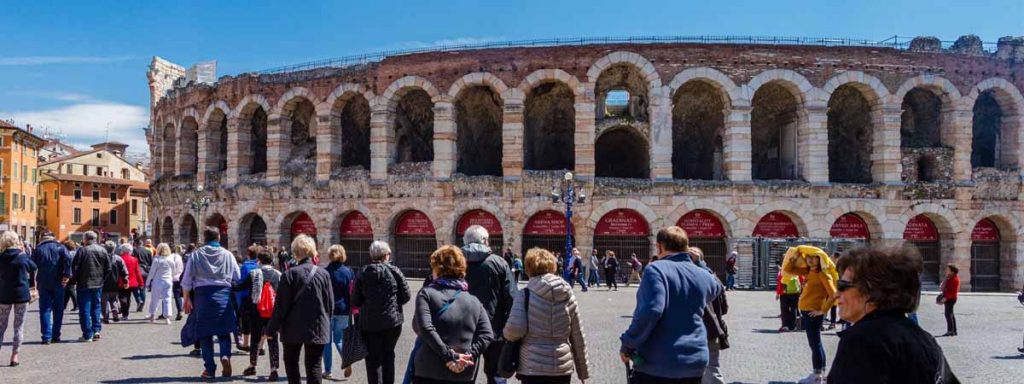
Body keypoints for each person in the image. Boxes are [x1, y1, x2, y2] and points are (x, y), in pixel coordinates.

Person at [828, 247, 959, 383]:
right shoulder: (923, 338)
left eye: (842, 285)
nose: (837, 294)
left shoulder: (863, 340)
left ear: (871, 290)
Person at [620, 227, 721, 384]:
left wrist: (628, 344)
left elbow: (651, 311)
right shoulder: (702, 275)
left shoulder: (656, 269)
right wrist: (700, 263)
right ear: (686, 247)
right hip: (695, 361)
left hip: (660, 362)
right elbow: (716, 288)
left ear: (660, 246)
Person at [504, 247, 589, 384]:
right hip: (562, 366)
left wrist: (506, 333)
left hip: (532, 365)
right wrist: (583, 372)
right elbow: (577, 336)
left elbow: (514, 330)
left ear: (529, 268)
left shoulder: (524, 295)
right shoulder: (567, 293)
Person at [411, 245, 494, 383]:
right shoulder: (474, 301)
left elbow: (425, 327)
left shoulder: (427, 294)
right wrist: (467, 357)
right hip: (464, 373)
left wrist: (450, 356)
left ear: (438, 269)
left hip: (429, 369)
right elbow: (487, 334)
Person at [264, 235, 333, 384]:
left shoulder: (289, 274)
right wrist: (326, 323)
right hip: (317, 326)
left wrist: (271, 329)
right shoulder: (323, 274)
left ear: (295, 253)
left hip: (292, 327)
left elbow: (280, 306)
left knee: (291, 362)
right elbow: (330, 305)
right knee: (314, 365)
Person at [182, 227, 241, 379]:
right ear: (219, 237)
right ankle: (225, 355)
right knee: (224, 331)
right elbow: (237, 276)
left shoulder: (195, 255)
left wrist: (186, 299)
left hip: (202, 297)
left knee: (205, 334)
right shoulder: (228, 255)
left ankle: (210, 369)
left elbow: (187, 281)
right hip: (223, 295)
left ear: (205, 237)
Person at [459, 225, 515, 384]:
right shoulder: (499, 262)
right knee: (496, 374)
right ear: (485, 240)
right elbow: (511, 298)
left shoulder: (456, 262)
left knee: (462, 373)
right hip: (494, 328)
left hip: (463, 328)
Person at [352, 240, 411, 384]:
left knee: (372, 359)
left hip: (368, 323)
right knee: (388, 355)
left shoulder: (363, 272)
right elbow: (406, 295)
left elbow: (355, 300)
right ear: (386, 255)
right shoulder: (395, 271)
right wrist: (394, 304)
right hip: (392, 322)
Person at [781, 245, 838, 384]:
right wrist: (794, 257)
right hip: (807, 312)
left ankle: (817, 375)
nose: (811, 260)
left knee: (815, 344)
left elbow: (833, 294)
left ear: (820, 259)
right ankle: (821, 374)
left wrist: (823, 311)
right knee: (815, 343)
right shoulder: (808, 272)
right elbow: (788, 270)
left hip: (813, 313)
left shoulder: (823, 274)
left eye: (814, 258)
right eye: (809, 258)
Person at [241, 246, 283, 381]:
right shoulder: (278, 275)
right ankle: (274, 370)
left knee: (255, 340)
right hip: (273, 313)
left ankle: (252, 366)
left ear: (259, 260)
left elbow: (240, 286)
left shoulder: (254, 273)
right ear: (272, 260)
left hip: (256, 312)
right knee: (272, 341)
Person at [690, 247, 729, 384]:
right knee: (711, 370)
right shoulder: (714, 278)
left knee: (707, 373)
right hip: (713, 331)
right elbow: (724, 308)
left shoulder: (692, 280)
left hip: (699, 333)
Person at [0, 231, 37, 366]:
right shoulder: (22, 257)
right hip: (21, 295)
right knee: (18, 326)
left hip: (4, 294)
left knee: (1, 326)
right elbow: (33, 267)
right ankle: (14, 356)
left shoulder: (1, 257)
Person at [30, 231, 72, 344]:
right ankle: (56, 335)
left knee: (45, 309)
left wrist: (32, 284)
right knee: (58, 309)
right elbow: (68, 259)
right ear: (53, 237)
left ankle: (46, 336)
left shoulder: (38, 249)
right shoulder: (60, 247)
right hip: (59, 281)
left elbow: (31, 266)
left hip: (43, 282)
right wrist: (66, 275)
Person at [71, 231, 110, 342]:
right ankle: (96, 330)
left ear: (86, 239)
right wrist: (102, 279)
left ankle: (87, 334)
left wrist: (74, 281)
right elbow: (108, 268)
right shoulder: (103, 250)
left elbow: (75, 268)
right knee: (96, 307)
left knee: (84, 309)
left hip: (84, 283)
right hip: (98, 284)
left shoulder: (82, 250)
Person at [323, 245, 354, 379]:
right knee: (339, 339)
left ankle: (328, 371)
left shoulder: (325, 272)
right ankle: (346, 360)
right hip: (344, 309)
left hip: (328, 310)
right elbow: (352, 292)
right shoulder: (348, 272)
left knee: (327, 341)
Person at [145, 243, 178, 324]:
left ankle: (152, 315)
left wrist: (147, 282)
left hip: (157, 281)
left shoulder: (157, 259)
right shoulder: (170, 260)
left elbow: (151, 273)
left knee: (155, 299)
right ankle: (167, 318)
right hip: (168, 281)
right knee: (167, 299)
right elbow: (174, 271)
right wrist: (171, 277)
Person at [237, 248, 261, 351]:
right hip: (259, 297)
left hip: (246, 297)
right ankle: (260, 345)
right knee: (258, 321)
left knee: (246, 320)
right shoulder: (259, 267)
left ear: (248, 255)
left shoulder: (245, 267)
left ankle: (246, 343)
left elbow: (240, 282)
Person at [101, 241, 128, 324]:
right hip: (114, 282)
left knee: (104, 301)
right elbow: (124, 271)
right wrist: (125, 281)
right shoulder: (118, 258)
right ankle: (115, 313)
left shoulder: (102, 258)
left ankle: (106, 317)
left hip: (103, 283)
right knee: (114, 299)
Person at [119, 244, 144, 321]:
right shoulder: (134, 259)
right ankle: (126, 313)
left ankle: (124, 313)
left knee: (122, 297)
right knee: (128, 297)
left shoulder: (119, 258)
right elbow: (137, 272)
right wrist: (141, 282)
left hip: (121, 281)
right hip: (132, 282)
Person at [776, 267, 804, 332]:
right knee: (794, 309)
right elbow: (802, 279)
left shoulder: (783, 270)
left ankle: (785, 325)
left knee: (784, 309)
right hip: (795, 292)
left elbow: (780, 281)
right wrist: (801, 291)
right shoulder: (797, 270)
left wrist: (778, 293)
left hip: (784, 292)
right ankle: (793, 326)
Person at [939, 264, 960, 337]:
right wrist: (945, 278)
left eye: (948, 269)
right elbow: (942, 287)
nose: (946, 271)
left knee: (948, 314)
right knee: (951, 314)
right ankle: (954, 331)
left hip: (951, 298)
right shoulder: (949, 278)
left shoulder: (954, 279)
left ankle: (950, 331)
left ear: (952, 271)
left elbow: (952, 291)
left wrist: (945, 298)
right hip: (949, 298)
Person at [133, 239, 154, 312]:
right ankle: (142, 303)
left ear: (136, 244)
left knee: (134, 288)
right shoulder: (148, 251)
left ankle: (138, 300)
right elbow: (151, 263)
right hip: (145, 271)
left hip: (137, 271)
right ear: (142, 244)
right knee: (143, 288)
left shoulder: (134, 251)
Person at [62, 240, 79, 312]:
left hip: (69, 273)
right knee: (68, 289)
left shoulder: (68, 254)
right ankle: (64, 305)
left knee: (70, 289)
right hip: (74, 273)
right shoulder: (76, 253)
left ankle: (76, 305)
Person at [172, 244, 187, 321]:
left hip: (172, 278)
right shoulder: (180, 257)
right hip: (179, 277)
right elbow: (182, 268)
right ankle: (180, 311)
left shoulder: (171, 257)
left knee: (167, 297)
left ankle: (166, 313)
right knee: (178, 296)